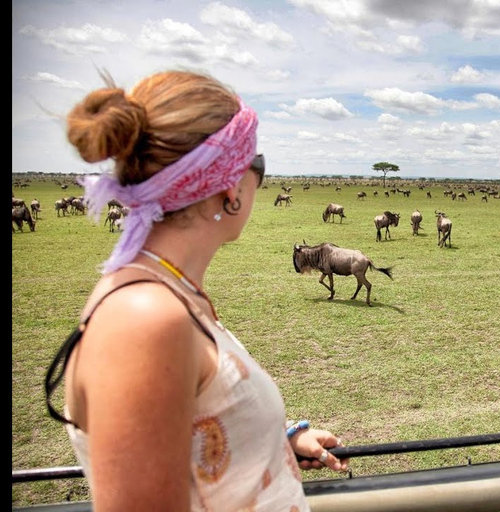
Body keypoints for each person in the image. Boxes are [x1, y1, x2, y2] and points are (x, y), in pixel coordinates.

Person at [44, 69, 348, 511]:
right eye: (256, 163)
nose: (259, 179)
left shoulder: (168, 292)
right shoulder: (144, 319)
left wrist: (271, 439)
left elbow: (187, 426)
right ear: (229, 189)